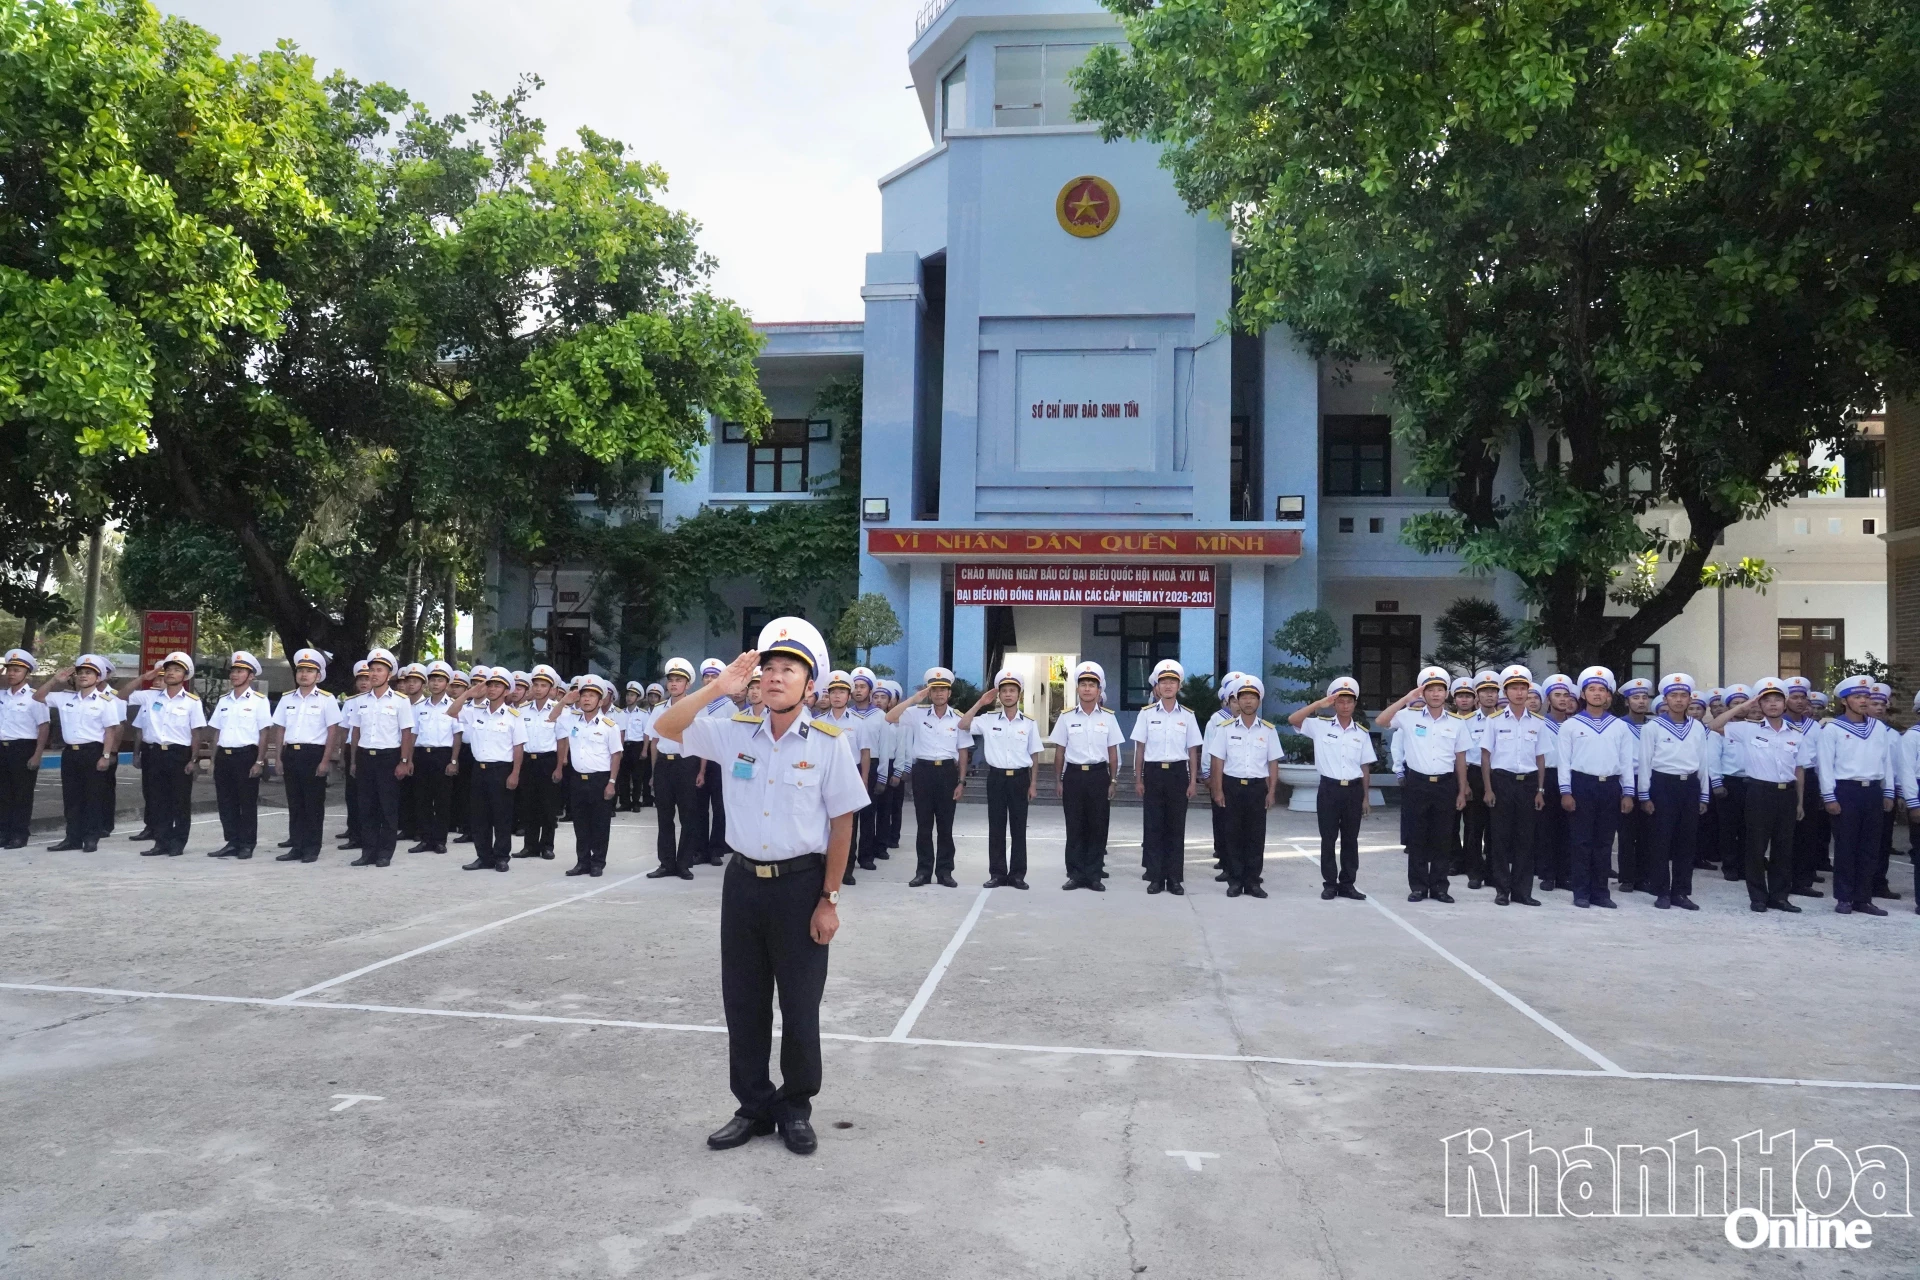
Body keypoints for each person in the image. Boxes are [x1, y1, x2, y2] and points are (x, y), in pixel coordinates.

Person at [651, 621, 866, 1157]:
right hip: (742, 884)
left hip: (800, 888)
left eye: (788, 670)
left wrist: (829, 898)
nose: (774, 677)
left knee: (799, 1006)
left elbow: (842, 825)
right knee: (743, 1003)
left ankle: (795, 1107)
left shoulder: (828, 745)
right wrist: (717, 689)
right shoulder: (733, 730)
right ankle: (752, 1105)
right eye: (768, 669)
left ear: (809, 686)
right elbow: (665, 726)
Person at [1707, 677, 1807, 913]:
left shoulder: (1795, 733)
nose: (1773, 705)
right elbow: (1714, 725)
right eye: (1767, 701)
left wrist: (1800, 801)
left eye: (1777, 700)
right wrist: (1743, 706)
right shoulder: (1747, 730)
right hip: (1759, 793)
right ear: (1759, 706)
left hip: (1787, 794)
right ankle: (1758, 897)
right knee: (1755, 847)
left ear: (1785, 704)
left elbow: (1799, 769)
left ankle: (1780, 896)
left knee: (1783, 848)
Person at [1375, 666, 1466, 903]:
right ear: (1423, 693)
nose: (1436, 694)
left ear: (1446, 693)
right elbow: (1382, 720)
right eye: (1430, 690)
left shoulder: (1456, 722)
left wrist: (1462, 789)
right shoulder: (1408, 716)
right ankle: (1417, 886)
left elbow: (1460, 758)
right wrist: (1406, 699)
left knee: (1443, 837)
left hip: (1446, 784)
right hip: (1417, 783)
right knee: (1417, 837)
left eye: (1440, 690)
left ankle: (1439, 887)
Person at [1555, 666, 1635, 910]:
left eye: (1602, 690)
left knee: (1604, 842)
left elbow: (1626, 761)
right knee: (1581, 841)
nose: (1597, 694)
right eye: (1592, 689)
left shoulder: (1619, 726)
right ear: (1583, 694)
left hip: (1610, 786)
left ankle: (1600, 892)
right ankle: (1581, 891)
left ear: (1609, 696)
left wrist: (1628, 792)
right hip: (1582, 785)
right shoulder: (1570, 725)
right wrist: (1565, 791)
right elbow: (1563, 761)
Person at [1817, 674, 1897, 916]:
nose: (1864, 701)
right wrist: (1829, 797)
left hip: (1872, 790)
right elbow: (1825, 765)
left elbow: (1887, 762)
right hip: (1846, 790)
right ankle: (1844, 897)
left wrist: (1888, 790)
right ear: (1845, 701)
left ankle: (1864, 898)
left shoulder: (1878, 727)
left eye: (1866, 696)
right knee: (1846, 846)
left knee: (1870, 847)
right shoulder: (1833, 729)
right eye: (1857, 696)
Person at [1289, 675, 1373, 902]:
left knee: (1350, 839)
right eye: (1340, 701)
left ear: (1355, 704)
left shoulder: (1361, 734)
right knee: (1328, 839)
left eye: (1349, 701)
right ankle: (1329, 884)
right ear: (1334, 703)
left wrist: (1365, 797)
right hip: (1329, 789)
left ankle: (1348, 884)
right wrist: (1318, 704)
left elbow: (1364, 767)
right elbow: (1293, 719)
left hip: (1353, 790)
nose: (1345, 705)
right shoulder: (1320, 726)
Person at [887, 667, 970, 888]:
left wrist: (961, 781)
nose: (939, 694)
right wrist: (914, 699)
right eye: (935, 690)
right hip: (923, 772)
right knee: (924, 825)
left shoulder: (959, 719)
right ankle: (923, 871)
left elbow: (963, 752)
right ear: (929, 693)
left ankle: (945, 872)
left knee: (945, 826)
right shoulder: (916, 714)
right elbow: (890, 716)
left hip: (947, 773)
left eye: (943, 690)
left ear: (949, 693)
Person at [960, 669, 1043, 890]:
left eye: (1012, 691)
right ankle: (997, 873)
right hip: (996, 778)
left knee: (1018, 828)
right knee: (996, 827)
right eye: (1004, 691)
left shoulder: (1029, 723)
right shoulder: (987, 720)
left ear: (1019, 694)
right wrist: (980, 702)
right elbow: (963, 724)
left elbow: (1035, 754)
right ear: (999, 695)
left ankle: (1017, 875)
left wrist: (1033, 783)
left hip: (1019, 779)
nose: (1008, 695)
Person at [1635, 673, 1710, 910]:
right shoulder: (1653, 727)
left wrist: (1703, 794)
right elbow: (1645, 762)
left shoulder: (1697, 727)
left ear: (1690, 699)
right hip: (1662, 785)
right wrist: (1644, 795)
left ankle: (1681, 892)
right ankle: (1661, 892)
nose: (1679, 700)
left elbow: (1704, 762)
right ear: (1665, 699)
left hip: (1689, 786)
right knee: (1661, 841)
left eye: (1683, 695)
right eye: (1673, 695)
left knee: (1686, 843)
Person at [36, 655, 124, 850]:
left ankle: (91, 837)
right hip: (70, 753)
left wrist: (106, 756)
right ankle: (72, 838)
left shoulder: (105, 701)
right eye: (81, 673)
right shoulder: (65, 697)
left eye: (89, 673)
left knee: (93, 796)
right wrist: (54, 680)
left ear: (98, 678)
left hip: (93, 751)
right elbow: (38, 696)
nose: (83, 676)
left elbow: (111, 730)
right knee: (71, 797)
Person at [1049, 661, 1123, 891]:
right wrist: (1058, 780)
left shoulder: (1108, 718)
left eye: (1092, 684)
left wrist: (1113, 780)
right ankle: (1075, 874)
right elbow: (1059, 751)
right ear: (1078, 689)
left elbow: (1112, 753)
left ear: (1099, 690)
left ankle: (1093, 875)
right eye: (1083, 684)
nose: (1088, 688)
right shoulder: (1066, 717)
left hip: (1099, 776)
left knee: (1098, 826)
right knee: (1074, 826)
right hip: (1073, 776)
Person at [1476, 665, 1545, 906]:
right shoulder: (1494, 721)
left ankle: (1523, 891)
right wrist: (1488, 788)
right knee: (1500, 839)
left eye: (1523, 688)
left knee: (1526, 839)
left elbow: (1540, 758)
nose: (1519, 693)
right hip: (1501, 782)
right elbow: (1486, 756)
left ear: (1528, 691)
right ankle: (1502, 890)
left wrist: (1540, 790)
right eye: (1514, 688)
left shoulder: (1537, 722)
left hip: (1527, 784)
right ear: (1506, 692)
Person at [1208, 673, 1281, 898]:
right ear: (1236, 701)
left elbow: (1273, 763)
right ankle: (1235, 880)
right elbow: (1217, 761)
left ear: (1259, 701)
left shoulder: (1268, 730)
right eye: (1244, 697)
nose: (1248, 701)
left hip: (1257, 788)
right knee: (1232, 835)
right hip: (1232, 787)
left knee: (1255, 836)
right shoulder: (1225, 728)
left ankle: (1252, 882)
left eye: (1253, 697)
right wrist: (1217, 790)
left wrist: (1272, 791)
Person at [268, 648, 342, 863]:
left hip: (314, 754)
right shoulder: (287, 699)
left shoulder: (326, 699)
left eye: (310, 671)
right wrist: (278, 758)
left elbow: (332, 732)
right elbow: (279, 728)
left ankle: (312, 848)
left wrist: (326, 761)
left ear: (318, 676)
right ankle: (297, 846)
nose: (304, 674)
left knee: (313, 804)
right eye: (301, 670)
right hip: (291, 753)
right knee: (295, 802)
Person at [131, 652, 205, 858]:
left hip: (178, 754)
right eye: (169, 669)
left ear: (185, 675)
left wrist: (194, 759)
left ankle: (178, 842)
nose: (171, 673)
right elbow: (120, 696)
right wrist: (144, 678)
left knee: (179, 801)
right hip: (155, 754)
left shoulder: (192, 702)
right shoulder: (150, 696)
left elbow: (196, 732)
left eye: (177, 670)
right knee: (157, 800)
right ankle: (161, 842)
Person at [348, 648, 416, 868]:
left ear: (389, 675)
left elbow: (406, 732)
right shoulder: (360, 701)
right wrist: (354, 761)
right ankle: (368, 851)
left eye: (379, 670)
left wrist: (404, 761)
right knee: (366, 807)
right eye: (371, 670)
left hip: (389, 757)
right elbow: (356, 732)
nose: (374, 674)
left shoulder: (400, 701)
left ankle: (385, 852)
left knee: (387, 807)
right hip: (365, 756)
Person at [201, 651, 273, 860]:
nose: (235, 675)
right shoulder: (224, 701)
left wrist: (260, 760)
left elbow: (264, 733)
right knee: (226, 801)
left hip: (246, 755)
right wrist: (213, 760)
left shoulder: (259, 701)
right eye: (233, 671)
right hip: (225, 755)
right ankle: (232, 841)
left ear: (251, 676)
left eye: (240, 671)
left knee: (246, 802)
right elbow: (217, 731)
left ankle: (247, 844)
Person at [551, 676, 622, 877]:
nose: (586, 700)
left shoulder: (609, 726)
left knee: (600, 823)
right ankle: (582, 861)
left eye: (592, 696)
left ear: (600, 701)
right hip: (577, 778)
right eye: (583, 696)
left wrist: (612, 782)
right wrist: (565, 700)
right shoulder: (572, 718)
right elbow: (552, 716)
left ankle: (598, 862)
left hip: (600, 779)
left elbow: (616, 754)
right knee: (580, 823)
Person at [811, 670, 871, 886]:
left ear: (849, 695)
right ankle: (823, 865)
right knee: (823, 822)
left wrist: (864, 780)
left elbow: (865, 752)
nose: (836, 696)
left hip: (850, 772)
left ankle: (846, 869)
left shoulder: (859, 721)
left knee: (846, 823)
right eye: (833, 692)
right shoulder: (816, 721)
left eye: (841, 692)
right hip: (822, 772)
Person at [646, 658, 703, 880]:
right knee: (664, 816)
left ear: (687, 685)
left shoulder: (696, 708)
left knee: (688, 816)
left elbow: (702, 742)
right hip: (664, 765)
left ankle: (684, 863)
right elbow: (653, 741)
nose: (673, 684)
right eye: (671, 680)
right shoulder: (659, 709)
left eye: (679, 680)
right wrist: (653, 772)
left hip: (687, 763)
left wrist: (700, 771)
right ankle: (666, 863)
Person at [405, 660, 460, 854]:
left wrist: (454, 760)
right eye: (433, 680)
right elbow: (413, 734)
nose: (435, 684)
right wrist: (409, 759)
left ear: (447, 683)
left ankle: (440, 840)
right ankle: (425, 839)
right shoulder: (420, 707)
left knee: (442, 800)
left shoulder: (454, 707)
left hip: (442, 755)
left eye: (440, 680)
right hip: (422, 755)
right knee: (422, 799)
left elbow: (457, 735)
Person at [0, 650, 51, 849]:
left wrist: (38, 754)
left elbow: (44, 727)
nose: (11, 674)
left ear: (27, 674)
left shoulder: (34, 698)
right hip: (2, 748)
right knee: (3, 793)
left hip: (23, 748)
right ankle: (4, 832)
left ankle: (20, 834)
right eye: (9, 670)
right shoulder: (2, 696)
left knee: (22, 794)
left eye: (16, 670)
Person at [512, 664, 563, 860]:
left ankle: (547, 845)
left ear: (551, 689)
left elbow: (562, 740)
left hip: (548, 760)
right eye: (536, 685)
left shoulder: (558, 711)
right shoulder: (523, 710)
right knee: (529, 805)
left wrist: (559, 766)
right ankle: (530, 846)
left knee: (548, 807)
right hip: (528, 761)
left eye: (543, 685)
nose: (539, 689)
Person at [1534, 674, 1578, 891]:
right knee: (1546, 828)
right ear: (1548, 699)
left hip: (1571, 778)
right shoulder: (1539, 724)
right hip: (1548, 777)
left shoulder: (1576, 725)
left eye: (1566, 696)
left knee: (1569, 828)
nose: (1563, 700)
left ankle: (1565, 874)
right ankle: (1548, 874)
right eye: (1557, 695)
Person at [1615, 677, 1655, 894]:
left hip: (1650, 783)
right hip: (1626, 784)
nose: (1641, 702)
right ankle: (1627, 877)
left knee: (1648, 833)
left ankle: (1644, 877)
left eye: (1644, 697)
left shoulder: (1655, 726)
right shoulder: (1618, 725)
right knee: (1627, 834)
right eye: (1635, 698)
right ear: (1627, 702)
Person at [338, 660, 373, 850]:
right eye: (360, 678)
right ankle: (353, 831)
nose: (364, 682)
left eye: (367, 678)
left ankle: (367, 833)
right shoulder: (350, 702)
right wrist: (342, 755)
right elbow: (344, 730)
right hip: (351, 748)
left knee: (367, 796)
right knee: (351, 795)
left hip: (368, 749)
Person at [617, 681, 650, 811]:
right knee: (623, 776)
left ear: (637, 698)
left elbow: (646, 733)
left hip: (637, 746)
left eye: (632, 695)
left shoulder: (643, 714)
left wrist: (644, 750)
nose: (629, 697)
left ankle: (636, 802)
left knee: (637, 776)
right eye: (628, 695)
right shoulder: (620, 713)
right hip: (624, 745)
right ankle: (625, 802)